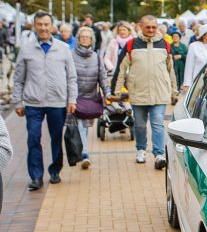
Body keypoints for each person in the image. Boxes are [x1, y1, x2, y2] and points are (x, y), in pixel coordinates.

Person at [13, 11, 77, 191]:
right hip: (33, 103)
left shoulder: (63, 48)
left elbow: (72, 77)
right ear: (34, 26)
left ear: (52, 26)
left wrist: (72, 99)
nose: (43, 28)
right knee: (33, 138)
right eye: (39, 24)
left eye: (46, 24)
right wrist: (18, 101)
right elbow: (18, 78)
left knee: (56, 138)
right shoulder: (26, 49)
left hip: (57, 102)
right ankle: (35, 176)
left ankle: (55, 170)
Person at [114, 15, 177, 169]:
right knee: (140, 125)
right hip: (138, 92)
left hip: (159, 92)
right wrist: (116, 90)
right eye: (147, 27)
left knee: (157, 124)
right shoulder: (131, 45)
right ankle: (141, 149)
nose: (151, 30)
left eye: (153, 27)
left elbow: (171, 70)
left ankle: (159, 154)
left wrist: (174, 91)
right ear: (140, 26)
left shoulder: (165, 45)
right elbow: (121, 69)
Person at [73, 27, 111, 168]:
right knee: (78, 126)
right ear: (78, 39)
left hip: (89, 98)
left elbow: (103, 77)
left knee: (85, 126)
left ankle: (83, 151)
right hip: (74, 98)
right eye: (82, 37)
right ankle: (83, 153)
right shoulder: (70, 55)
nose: (85, 39)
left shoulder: (96, 57)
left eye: (88, 37)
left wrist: (107, 93)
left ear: (92, 40)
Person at [183, 24, 207, 93]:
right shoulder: (193, 46)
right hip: (198, 81)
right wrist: (187, 84)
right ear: (203, 35)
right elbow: (189, 66)